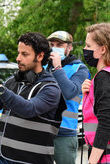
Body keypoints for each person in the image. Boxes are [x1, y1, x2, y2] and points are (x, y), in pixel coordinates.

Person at [0, 32, 66, 164]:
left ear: (40, 56)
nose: (18, 58)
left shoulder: (50, 88)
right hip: (3, 158)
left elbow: (29, 109)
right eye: (18, 53)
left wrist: (0, 89)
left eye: (24, 54)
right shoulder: (13, 82)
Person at [46, 31, 90, 164]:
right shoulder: (42, 66)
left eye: (59, 45)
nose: (54, 48)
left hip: (64, 131)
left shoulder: (79, 69)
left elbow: (69, 92)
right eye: (51, 44)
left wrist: (57, 67)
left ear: (69, 47)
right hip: (42, 130)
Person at [82, 23, 110, 164]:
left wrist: (92, 161)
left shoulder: (103, 78)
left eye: (88, 46)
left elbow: (106, 122)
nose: (84, 50)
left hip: (104, 155)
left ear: (103, 49)